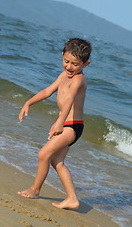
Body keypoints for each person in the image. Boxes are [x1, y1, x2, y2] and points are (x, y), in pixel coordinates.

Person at [18, 38, 92, 209]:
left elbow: (69, 100)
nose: (69, 67)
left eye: (75, 64)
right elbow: (47, 91)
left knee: (43, 154)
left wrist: (60, 122)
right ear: (62, 56)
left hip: (72, 126)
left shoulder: (79, 80)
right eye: (66, 61)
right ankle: (72, 198)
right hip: (67, 125)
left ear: (85, 64)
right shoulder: (63, 76)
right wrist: (28, 102)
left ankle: (35, 190)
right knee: (57, 161)